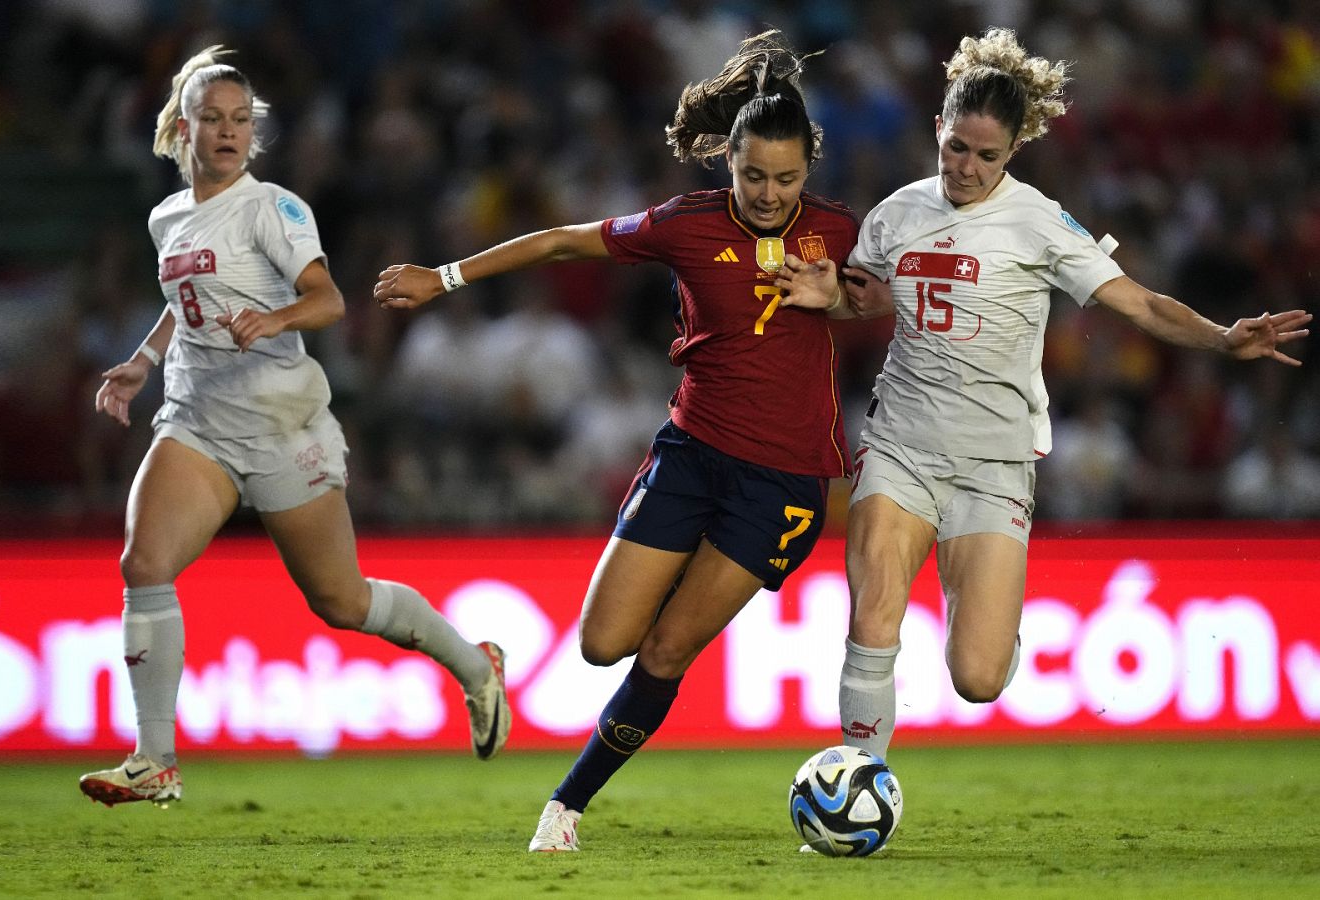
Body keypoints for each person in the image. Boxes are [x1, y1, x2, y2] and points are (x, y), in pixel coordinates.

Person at [372, 31, 860, 852]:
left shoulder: (843, 234)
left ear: (810, 164)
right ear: (727, 164)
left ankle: (564, 809)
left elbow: (898, 297)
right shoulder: (683, 225)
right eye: (752, 176)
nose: (769, 193)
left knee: (668, 648)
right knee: (602, 644)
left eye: (785, 178)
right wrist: (444, 276)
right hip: (692, 452)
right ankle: (680, 590)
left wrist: (840, 298)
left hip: (781, 485)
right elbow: (564, 240)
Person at [777, 27, 1312, 761]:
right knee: (873, 616)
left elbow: (1141, 304)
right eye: (956, 147)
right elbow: (866, 301)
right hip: (900, 444)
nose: (966, 167)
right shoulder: (896, 214)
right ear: (939, 129)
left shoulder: (1040, 222)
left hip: (995, 463)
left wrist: (1222, 337)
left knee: (978, 677)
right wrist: (825, 293)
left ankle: (997, 624)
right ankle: (860, 778)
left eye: (986, 155)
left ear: (1013, 153)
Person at [78, 46, 510, 809]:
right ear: (184, 127)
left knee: (341, 604)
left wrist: (273, 318)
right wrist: (144, 359)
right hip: (197, 420)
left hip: (282, 423)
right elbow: (186, 305)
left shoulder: (273, 207)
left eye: (241, 121)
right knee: (144, 564)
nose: (228, 133)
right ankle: (155, 760)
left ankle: (475, 667)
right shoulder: (166, 217)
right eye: (213, 119)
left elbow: (328, 299)